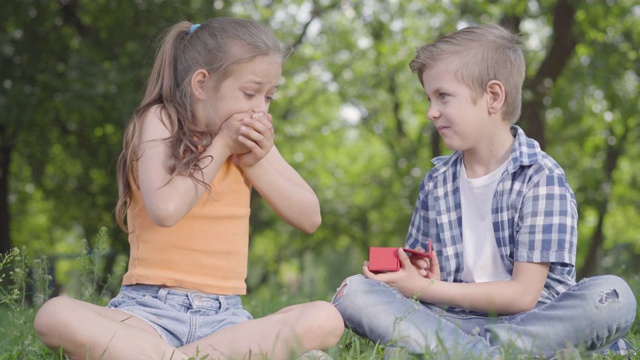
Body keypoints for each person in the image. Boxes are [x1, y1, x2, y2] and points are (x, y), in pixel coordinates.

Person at [34, 17, 344, 360]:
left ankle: (169, 356)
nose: (260, 109)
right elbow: (165, 210)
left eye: (269, 97)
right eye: (250, 93)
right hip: (148, 313)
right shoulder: (160, 121)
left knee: (326, 318)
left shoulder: (252, 147)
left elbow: (310, 217)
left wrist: (256, 162)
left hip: (225, 319)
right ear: (201, 84)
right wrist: (221, 147)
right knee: (54, 315)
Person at [331, 24, 636, 359]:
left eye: (443, 96)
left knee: (613, 296)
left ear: (493, 96)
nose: (431, 111)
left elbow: (523, 296)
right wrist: (419, 280)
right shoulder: (436, 183)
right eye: (429, 98)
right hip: (450, 321)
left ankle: (454, 352)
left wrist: (430, 288)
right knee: (353, 291)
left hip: (535, 324)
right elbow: (422, 287)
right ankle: (485, 353)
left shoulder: (540, 177)